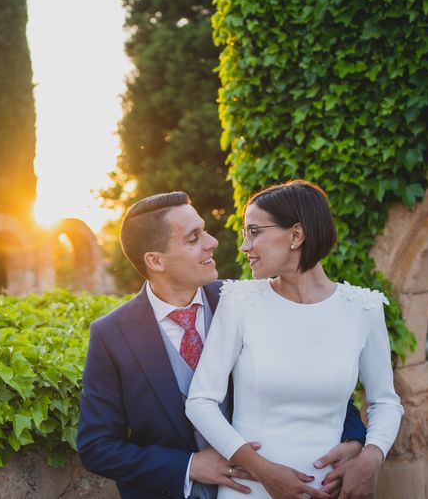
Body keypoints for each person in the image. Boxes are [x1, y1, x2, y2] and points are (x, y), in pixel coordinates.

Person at [77, 191, 368, 499]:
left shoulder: (247, 303)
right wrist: (188, 466)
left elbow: (311, 385)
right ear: (155, 261)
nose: (212, 242)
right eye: (193, 238)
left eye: (204, 230)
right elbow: (97, 446)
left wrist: (353, 441)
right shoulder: (111, 335)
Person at [185, 180, 404, 499]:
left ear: (296, 235)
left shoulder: (363, 309)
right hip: (250, 489)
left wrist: (371, 456)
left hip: (329, 490)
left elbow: (385, 401)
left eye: (254, 232)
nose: (245, 246)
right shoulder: (239, 302)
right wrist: (261, 469)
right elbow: (200, 402)